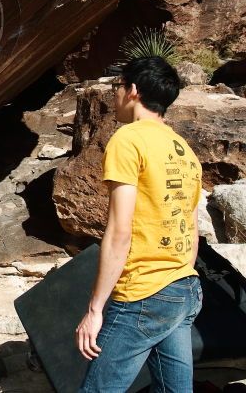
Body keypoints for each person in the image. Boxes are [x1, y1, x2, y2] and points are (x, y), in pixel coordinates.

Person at [75, 56, 203, 392]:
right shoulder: (184, 150)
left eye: (117, 86)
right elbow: (192, 231)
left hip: (143, 293)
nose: (115, 94)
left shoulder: (128, 139)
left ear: (133, 90)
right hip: (184, 287)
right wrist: (176, 276)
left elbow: (120, 231)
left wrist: (95, 309)